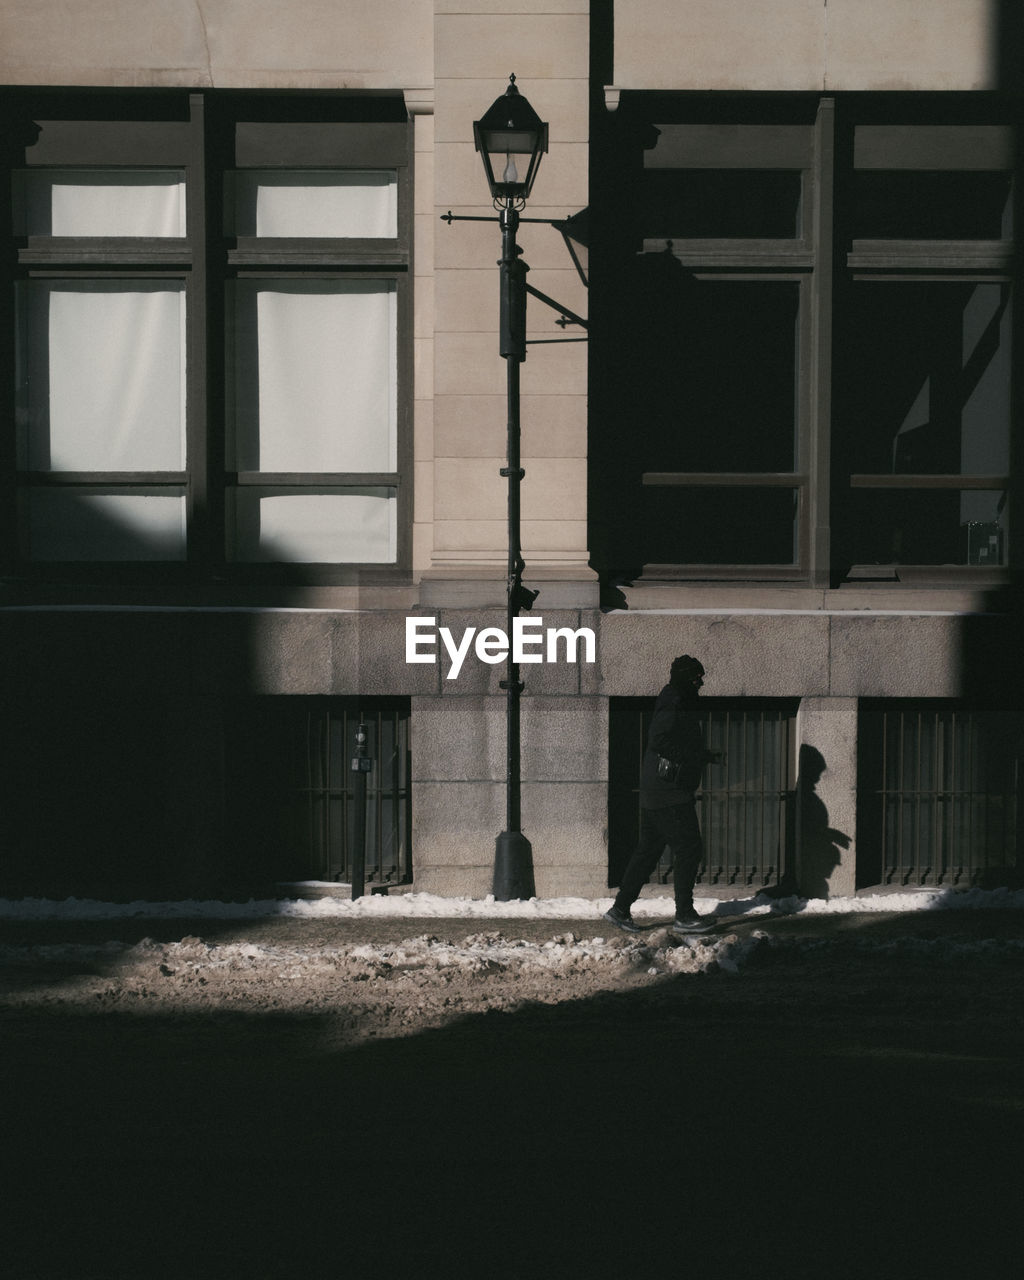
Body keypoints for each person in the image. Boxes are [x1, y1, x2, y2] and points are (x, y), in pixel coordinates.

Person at [604, 654, 718, 936]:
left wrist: (703, 756)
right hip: (669, 792)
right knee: (689, 847)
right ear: (685, 678)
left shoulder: (676, 698)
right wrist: (692, 758)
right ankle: (685, 915)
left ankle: (620, 909)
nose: (700, 682)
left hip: (658, 790)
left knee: (648, 851)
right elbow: (659, 739)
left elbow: (673, 741)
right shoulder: (674, 699)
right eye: (696, 677)